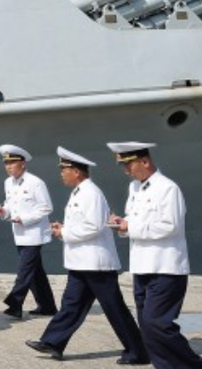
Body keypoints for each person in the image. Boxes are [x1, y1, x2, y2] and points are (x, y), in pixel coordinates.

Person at [24, 147, 148, 364]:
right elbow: (84, 223)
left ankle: (138, 351)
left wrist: (62, 232)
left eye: (65, 169)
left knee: (115, 309)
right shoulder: (81, 192)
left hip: (96, 264)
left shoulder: (91, 193)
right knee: (71, 304)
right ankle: (52, 341)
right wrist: (63, 227)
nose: (61, 173)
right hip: (82, 262)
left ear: (77, 172)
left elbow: (94, 227)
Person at [108, 142, 202, 369]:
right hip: (142, 266)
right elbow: (133, 220)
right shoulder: (134, 188)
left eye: (129, 164)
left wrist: (130, 227)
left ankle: (194, 366)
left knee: (158, 324)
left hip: (166, 267)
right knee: (147, 327)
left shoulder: (167, 188)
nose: (126, 170)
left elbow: (170, 226)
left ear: (145, 161)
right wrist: (120, 224)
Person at [0, 143, 57, 319]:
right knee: (36, 272)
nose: (8, 167)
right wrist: (3, 212)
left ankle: (14, 304)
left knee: (24, 271)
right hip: (19, 234)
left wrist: (25, 219)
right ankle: (47, 306)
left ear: (23, 163)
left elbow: (46, 208)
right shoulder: (8, 183)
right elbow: (10, 205)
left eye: (12, 163)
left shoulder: (35, 183)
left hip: (35, 233)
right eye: (6, 163)